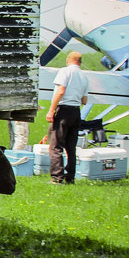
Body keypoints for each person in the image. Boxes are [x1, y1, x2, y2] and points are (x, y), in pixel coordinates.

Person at [45, 51, 89, 184]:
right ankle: (70, 177)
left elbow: (61, 90)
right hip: (76, 112)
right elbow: (85, 100)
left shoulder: (65, 71)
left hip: (64, 110)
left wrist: (51, 110)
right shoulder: (84, 76)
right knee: (71, 147)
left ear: (68, 59)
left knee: (55, 145)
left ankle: (57, 177)